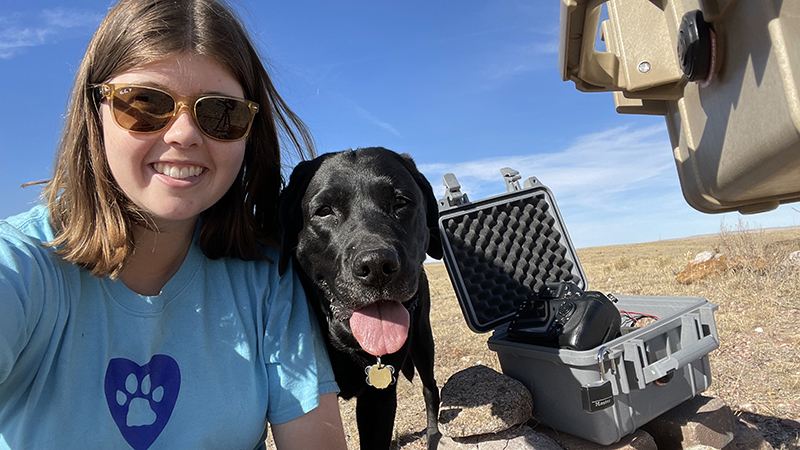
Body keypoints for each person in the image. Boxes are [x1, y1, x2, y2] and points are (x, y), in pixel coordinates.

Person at [0, 0, 348, 448]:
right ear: (96, 110)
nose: (183, 134)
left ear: (248, 130)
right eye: (144, 103)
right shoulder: (24, 269)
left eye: (221, 113)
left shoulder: (266, 278)